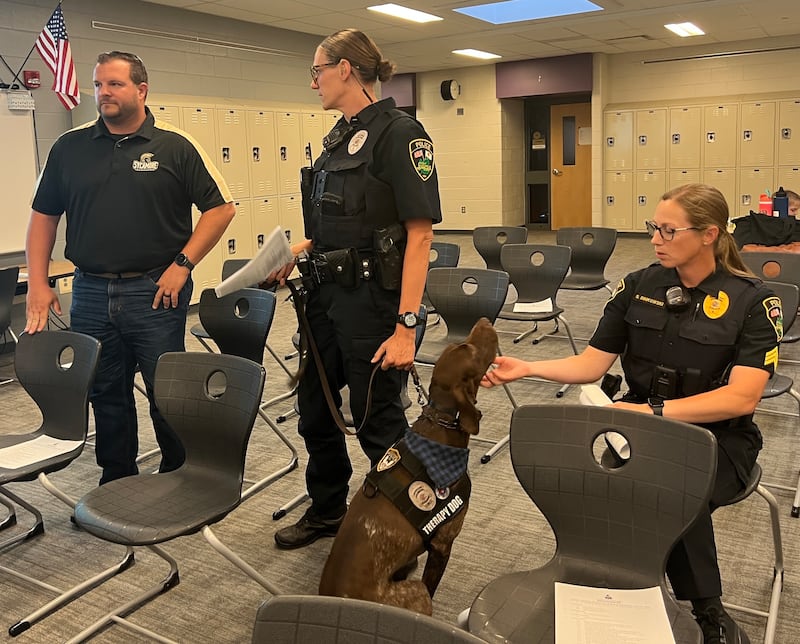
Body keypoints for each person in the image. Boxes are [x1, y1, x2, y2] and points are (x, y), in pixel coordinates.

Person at [483, 183, 781, 644]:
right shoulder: (640, 285)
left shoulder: (753, 300)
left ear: (708, 234)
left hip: (720, 440)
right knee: (592, 475)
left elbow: (742, 398)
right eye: (652, 228)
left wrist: (654, 411)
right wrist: (528, 368)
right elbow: (593, 363)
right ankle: (608, 581)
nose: (655, 239)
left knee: (671, 484)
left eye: (667, 230)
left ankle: (708, 614)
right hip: (637, 432)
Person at [25, 51, 235, 484]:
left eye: (114, 84)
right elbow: (44, 216)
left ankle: (178, 475)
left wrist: (183, 264)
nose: (103, 93)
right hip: (89, 292)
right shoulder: (70, 147)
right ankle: (116, 477)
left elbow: (221, 209)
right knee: (105, 390)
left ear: (141, 90)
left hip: (155, 290)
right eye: (99, 84)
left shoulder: (175, 145)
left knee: (166, 388)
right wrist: (39, 283)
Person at [269, 29, 442, 549]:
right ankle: (326, 511)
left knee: (378, 423)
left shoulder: (400, 134)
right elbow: (333, 227)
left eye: (317, 70)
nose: (313, 81)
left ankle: (409, 529)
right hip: (323, 300)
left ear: (346, 69)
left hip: (372, 305)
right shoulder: (338, 139)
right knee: (316, 411)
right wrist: (294, 252)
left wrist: (407, 326)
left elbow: (421, 234)